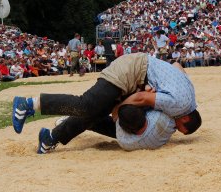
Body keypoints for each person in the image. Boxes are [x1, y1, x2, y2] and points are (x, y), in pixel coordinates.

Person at [12, 53, 201, 154]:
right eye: (179, 128)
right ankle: (28, 104)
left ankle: (51, 138)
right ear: (185, 118)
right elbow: (142, 99)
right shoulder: (179, 106)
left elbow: (177, 66)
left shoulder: (190, 96)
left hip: (138, 74)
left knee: (93, 112)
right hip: (131, 71)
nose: (174, 128)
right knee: (86, 105)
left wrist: (158, 81)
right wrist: (118, 109)